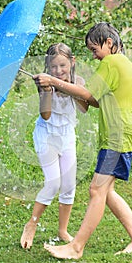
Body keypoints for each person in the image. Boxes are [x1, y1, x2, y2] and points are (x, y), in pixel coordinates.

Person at [33, 22, 132, 259]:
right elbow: (95, 101)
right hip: (120, 136)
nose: (94, 56)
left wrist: (54, 82)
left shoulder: (111, 62)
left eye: (94, 49)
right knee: (106, 192)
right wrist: (62, 88)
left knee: (97, 189)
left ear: (109, 42)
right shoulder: (123, 62)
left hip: (117, 138)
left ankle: (76, 247)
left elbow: (88, 95)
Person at [20, 43, 89, 249]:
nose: (58, 71)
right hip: (46, 135)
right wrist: (48, 91)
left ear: (72, 62)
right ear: (47, 67)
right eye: (53, 67)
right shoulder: (44, 84)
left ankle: (62, 230)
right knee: (53, 183)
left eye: (62, 65)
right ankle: (31, 225)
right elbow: (46, 115)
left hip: (67, 135)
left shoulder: (78, 82)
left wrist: (67, 87)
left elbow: (85, 108)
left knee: (68, 185)